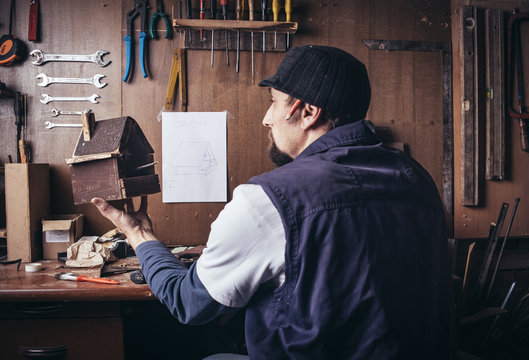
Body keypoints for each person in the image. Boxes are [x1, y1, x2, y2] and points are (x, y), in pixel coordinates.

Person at [92, 45, 455, 359]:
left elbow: (188, 303)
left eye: (274, 104)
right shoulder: (415, 178)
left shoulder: (268, 200)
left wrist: (141, 237)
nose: (266, 119)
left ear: (307, 112)